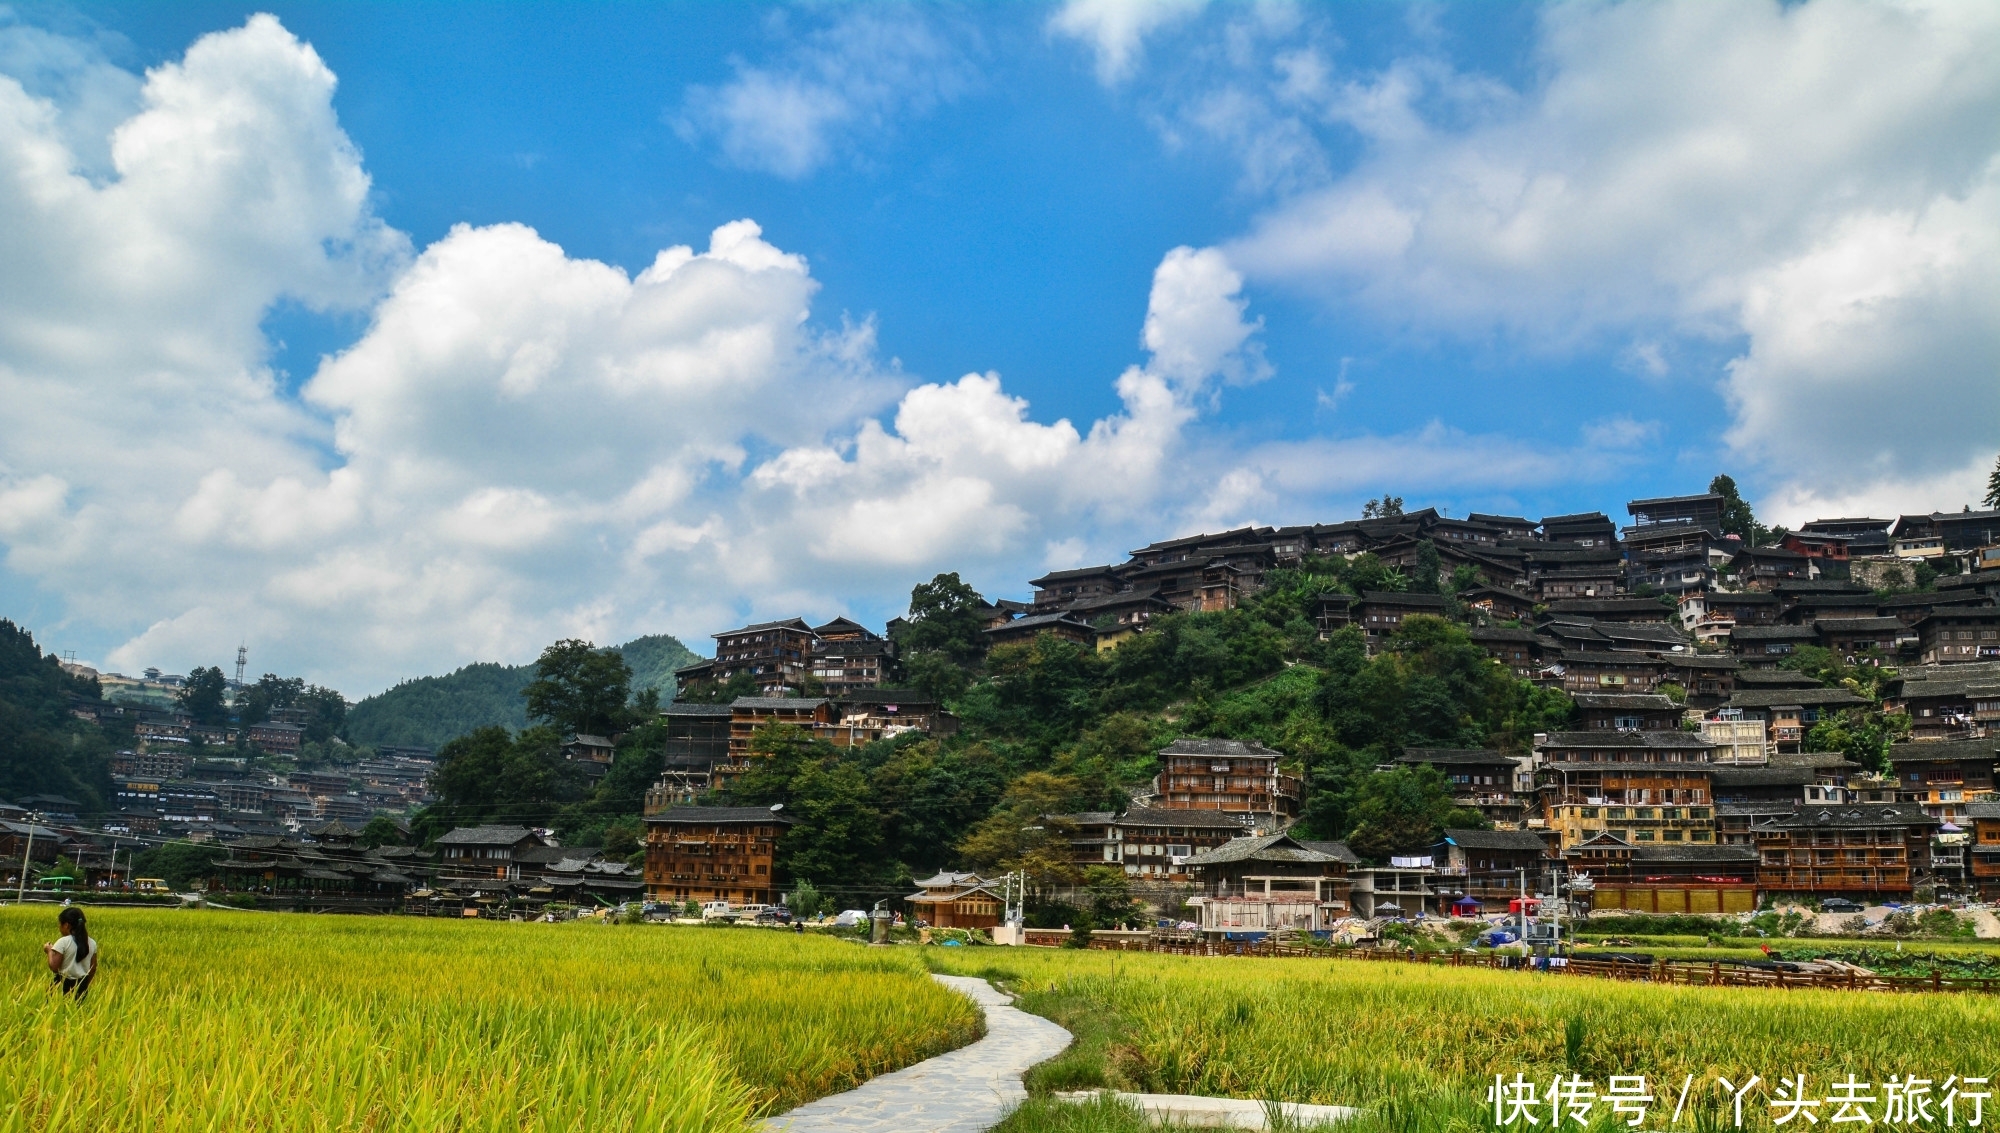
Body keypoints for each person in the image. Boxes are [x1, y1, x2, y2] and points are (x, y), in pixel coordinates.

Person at [44, 907, 97, 1000]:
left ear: (66, 925)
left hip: (62, 985)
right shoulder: (92, 942)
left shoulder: (63, 942)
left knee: (56, 1008)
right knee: (77, 1008)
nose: (59, 927)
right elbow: (93, 968)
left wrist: (49, 951)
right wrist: (84, 985)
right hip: (82, 985)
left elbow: (54, 967)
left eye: (60, 924)